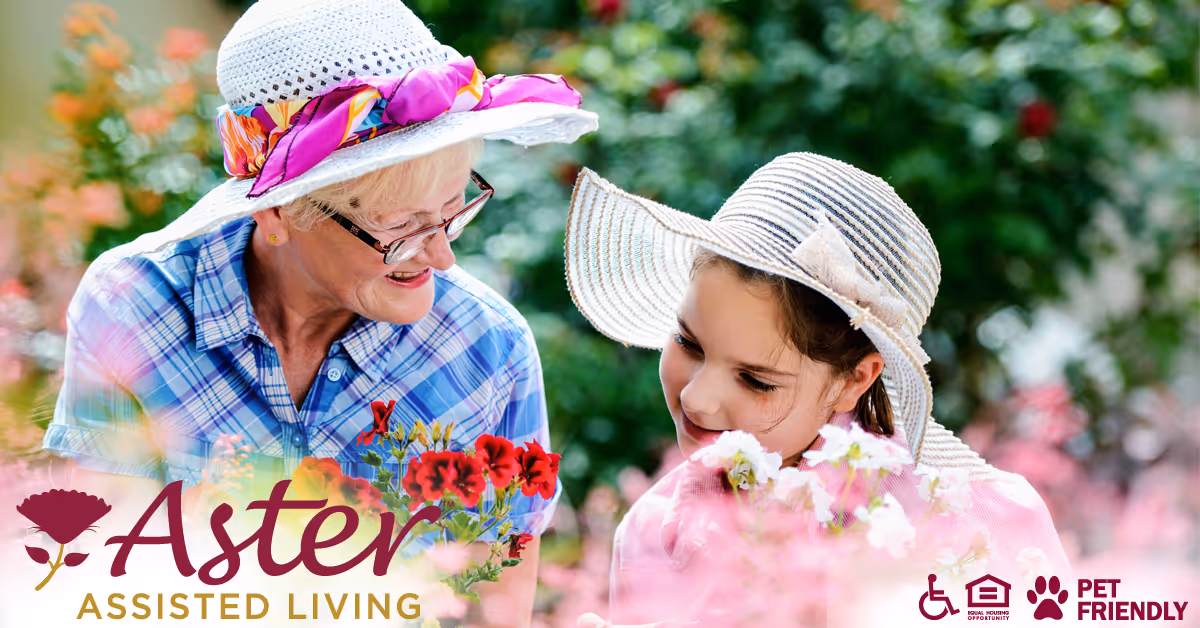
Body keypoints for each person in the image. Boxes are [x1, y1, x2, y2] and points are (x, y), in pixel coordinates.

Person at [39, 0, 596, 624]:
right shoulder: (136, 307)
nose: (442, 257)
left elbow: (498, 607)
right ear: (278, 211)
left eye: (453, 210)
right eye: (401, 229)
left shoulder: (489, 350)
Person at [564, 153, 1070, 626]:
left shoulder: (982, 525)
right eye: (688, 343)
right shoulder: (650, 533)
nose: (696, 398)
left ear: (855, 379)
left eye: (755, 379)